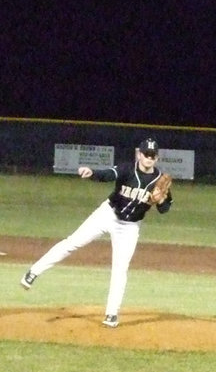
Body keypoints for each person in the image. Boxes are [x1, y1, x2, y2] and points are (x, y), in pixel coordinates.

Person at [20, 138, 173, 328]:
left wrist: (159, 201)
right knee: (73, 242)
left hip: (130, 227)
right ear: (139, 154)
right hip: (107, 214)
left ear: (157, 157)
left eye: (152, 155)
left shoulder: (159, 180)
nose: (149, 158)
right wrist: (92, 173)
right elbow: (109, 174)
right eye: (146, 154)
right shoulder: (127, 169)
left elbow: (165, 209)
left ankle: (111, 314)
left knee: (120, 268)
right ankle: (33, 272)